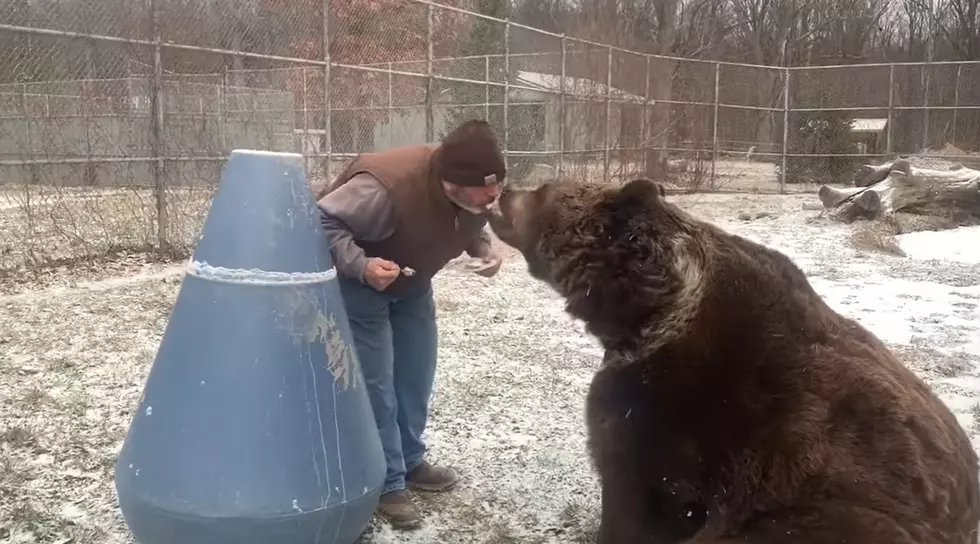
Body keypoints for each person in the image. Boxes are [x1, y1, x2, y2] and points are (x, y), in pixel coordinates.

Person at [316, 119, 505, 530]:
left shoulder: (470, 189)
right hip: (363, 286)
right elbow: (323, 220)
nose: (494, 197)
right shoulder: (385, 187)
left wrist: (482, 246)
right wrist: (361, 265)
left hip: (413, 283)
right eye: (486, 191)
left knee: (416, 374)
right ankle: (386, 481)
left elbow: (472, 219)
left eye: (497, 188)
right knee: (377, 383)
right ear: (451, 186)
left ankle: (410, 459)